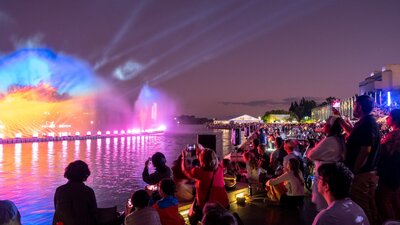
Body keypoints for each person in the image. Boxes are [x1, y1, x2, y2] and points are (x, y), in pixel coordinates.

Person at [337, 95, 380, 225]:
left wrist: (354, 171)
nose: (354, 108)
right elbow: (353, 133)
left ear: (360, 107)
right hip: (368, 172)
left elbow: (365, 150)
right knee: (370, 205)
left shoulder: (367, 124)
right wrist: (340, 119)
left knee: (362, 207)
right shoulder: (366, 122)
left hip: (362, 174)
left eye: (355, 105)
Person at [307, 116, 346, 211]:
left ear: (329, 127)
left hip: (325, 173)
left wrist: (314, 149)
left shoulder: (329, 141)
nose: (323, 126)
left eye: (325, 124)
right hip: (333, 172)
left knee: (324, 205)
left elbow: (311, 155)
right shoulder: (339, 140)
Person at [181, 148, 229, 225]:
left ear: (202, 161)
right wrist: (201, 152)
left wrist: (184, 157)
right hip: (224, 205)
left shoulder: (199, 172)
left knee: (191, 217)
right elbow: (210, 157)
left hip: (209, 209)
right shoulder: (219, 167)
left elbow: (185, 170)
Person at [53, 160, 97, 225]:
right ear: (85, 174)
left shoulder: (60, 190)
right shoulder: (88, 191)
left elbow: (57, 209)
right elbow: (94, 212)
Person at [376, 109, 400, 222]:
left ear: (395, 119)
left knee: (384, 201)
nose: (387, 119)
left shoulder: (395, 135)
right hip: (396, 172)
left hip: (391, 172)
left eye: (389, 117)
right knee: (396, 201)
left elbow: (383, 151)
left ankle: (391, 222)